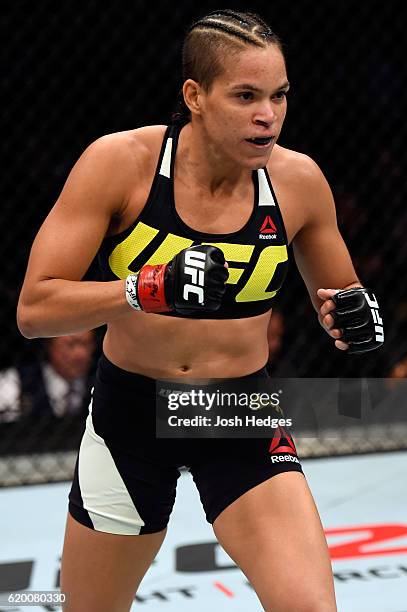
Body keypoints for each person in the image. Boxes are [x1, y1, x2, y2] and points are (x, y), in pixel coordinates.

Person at [16, 9, 384, 612]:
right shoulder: (121, 164)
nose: (267, 115)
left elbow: (340, 297)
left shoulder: (298, 182)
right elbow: (35, 308)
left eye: (279, 95)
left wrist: (353, 321)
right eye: (245, 96)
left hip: (236, 411)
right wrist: (142, 289)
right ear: (195, 96)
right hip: (131, 415)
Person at [0, 331, 96, 422]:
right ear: (50, 345)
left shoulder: (100, 381)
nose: (80, 354)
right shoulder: (15, 381)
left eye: (87, 344)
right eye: (70, 344)